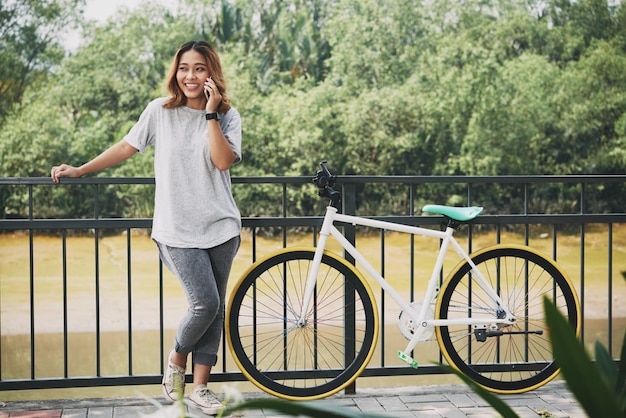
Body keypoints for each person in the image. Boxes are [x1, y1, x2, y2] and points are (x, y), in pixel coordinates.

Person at [51, 40, 242, 414]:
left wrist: (210, 114)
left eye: (199, 68)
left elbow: (222, 161)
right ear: (176, 72)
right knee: (204, 303)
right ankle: (176, 360)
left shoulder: (227, 116)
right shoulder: (159, 111)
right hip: (176, 228)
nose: (190, 75)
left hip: (221, 226)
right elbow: (126, 147)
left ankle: (200, 388)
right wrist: (80, 170)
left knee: (216, 308)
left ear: (211, 74)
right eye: (184, 67)